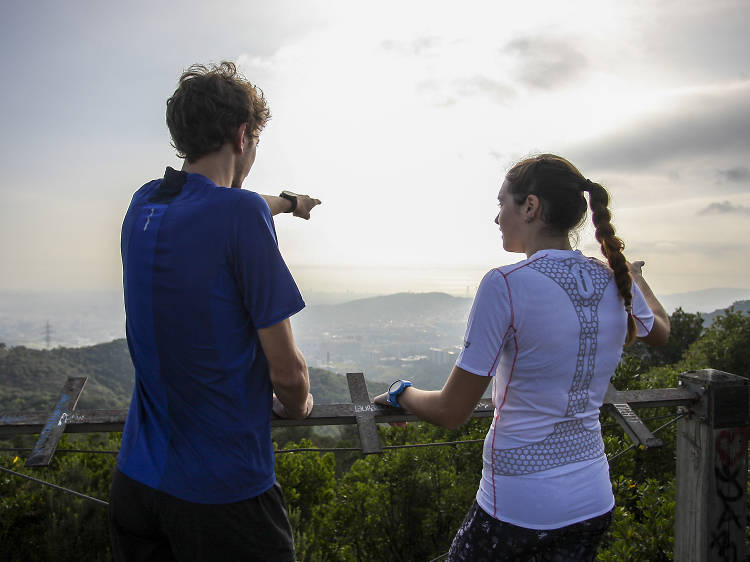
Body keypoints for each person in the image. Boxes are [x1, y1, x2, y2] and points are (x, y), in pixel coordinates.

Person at [374, 154, 670, 561]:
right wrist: (635, 277)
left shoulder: (505, 285)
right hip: (592, 499)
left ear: (530, 207)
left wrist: (399, 392)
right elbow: (659, 330)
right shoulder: (611, 277)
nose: (497, 218)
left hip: (518, 503)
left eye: (502, 204)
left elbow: (450, 410)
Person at [109, 61, 320, 562]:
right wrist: (297, 407)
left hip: (136, 485)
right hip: (223, 494)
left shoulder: (143, 204)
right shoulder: (238, 216)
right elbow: (287, 373)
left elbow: (229, 202)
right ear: (244, 134)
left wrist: (289, 202)